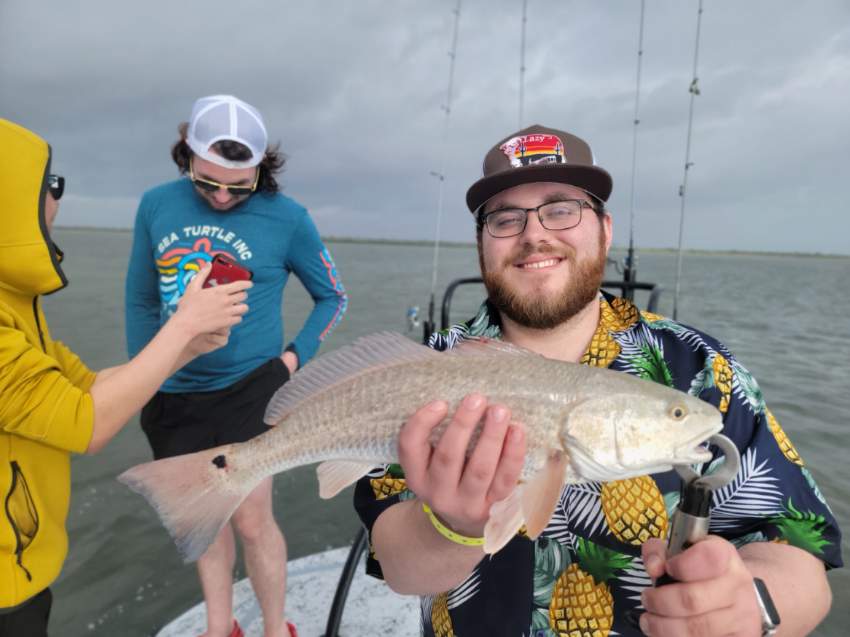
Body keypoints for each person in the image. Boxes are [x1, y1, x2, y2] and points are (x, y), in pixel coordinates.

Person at [354, 125, 842, 636]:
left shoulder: (700, 368)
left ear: (605, 229)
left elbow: (804, 563)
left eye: (562, 208)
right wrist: (451, 526)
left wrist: (751, 608)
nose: (534, 234)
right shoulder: (419, 370)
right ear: (481, 243)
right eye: (505, 218)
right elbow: (400, 569)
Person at [0, 119, 250, 637]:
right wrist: (181, 324)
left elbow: (83, 386)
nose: (58, 200)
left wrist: (185, 347)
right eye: (52, 185)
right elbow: (85, 424)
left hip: (21, 573)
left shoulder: (14, 305)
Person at [125, 95, 347, 637]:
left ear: (260, 171)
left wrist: (294, 359)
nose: (222, 196)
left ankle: (276, 628)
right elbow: (140, 301)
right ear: (187, 159)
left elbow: (333, 296)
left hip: (250, 390)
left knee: (251, 520)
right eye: (207, 183)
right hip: (171, 395)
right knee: (203, 524)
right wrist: (141, 376)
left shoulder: (288, 218)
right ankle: (220, 628)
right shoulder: (156, 205)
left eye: (238, 186)